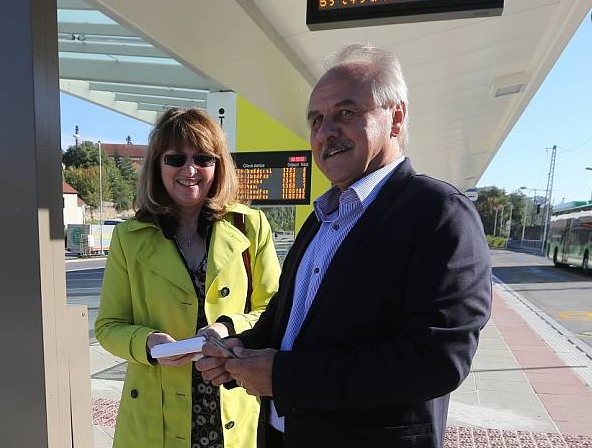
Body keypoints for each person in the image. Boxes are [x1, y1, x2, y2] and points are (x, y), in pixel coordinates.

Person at [197, 44, 492, 448]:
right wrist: (240, 350)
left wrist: (285, 377)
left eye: (346, 113)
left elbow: (437, 360)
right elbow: (286, 321)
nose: (325, 132)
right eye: (316, 120)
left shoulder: (439, 213)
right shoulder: (321, 218)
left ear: (396, 117)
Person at [95, 107, 280, 448]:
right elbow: (108, 326)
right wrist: (149, 344)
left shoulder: (250, 227)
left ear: (218, 165)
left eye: (203, 158)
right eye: (176, 158)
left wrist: (227, 327)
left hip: (231, 407)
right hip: (154, 417)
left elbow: (274, 309)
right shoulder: (129, 237)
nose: (190, 170)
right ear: (157, 165)